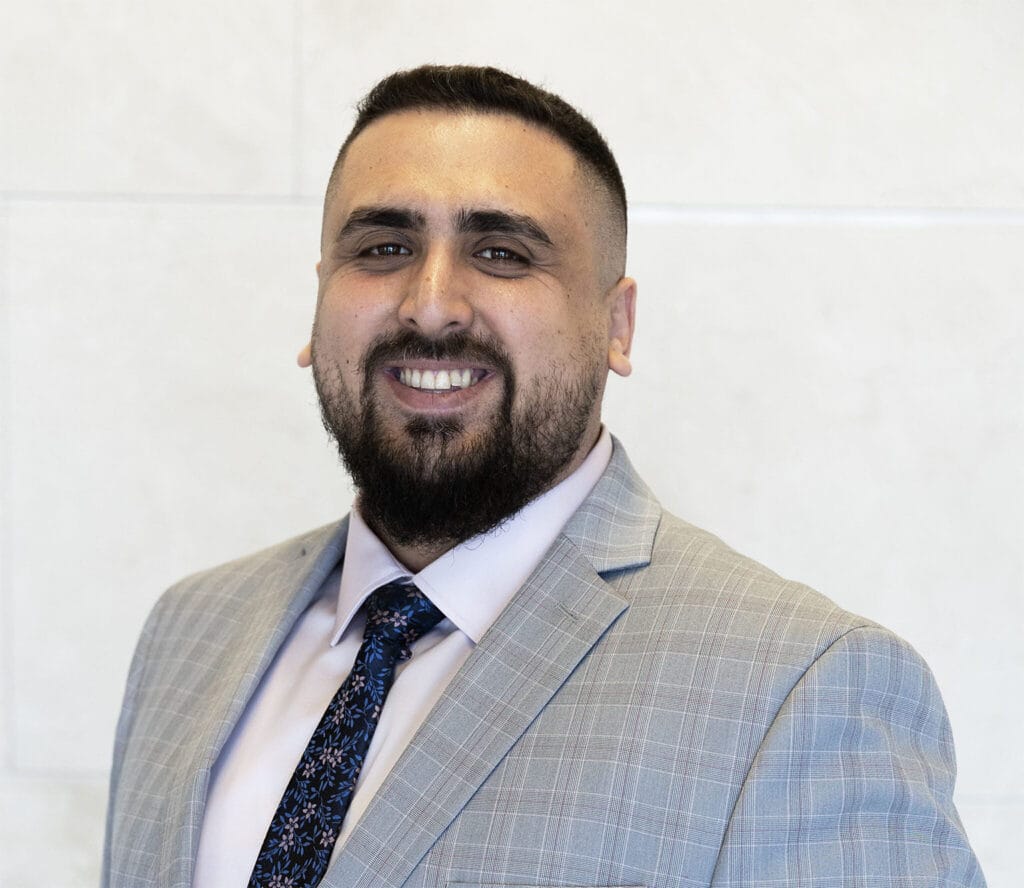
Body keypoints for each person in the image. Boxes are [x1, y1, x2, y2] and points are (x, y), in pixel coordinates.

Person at [102, 65, 985, 888]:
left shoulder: (803, 688)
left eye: (502, 254)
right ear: (319, 298)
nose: (431, 305)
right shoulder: (190, 632)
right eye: (382, 247)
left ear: (618, 326)